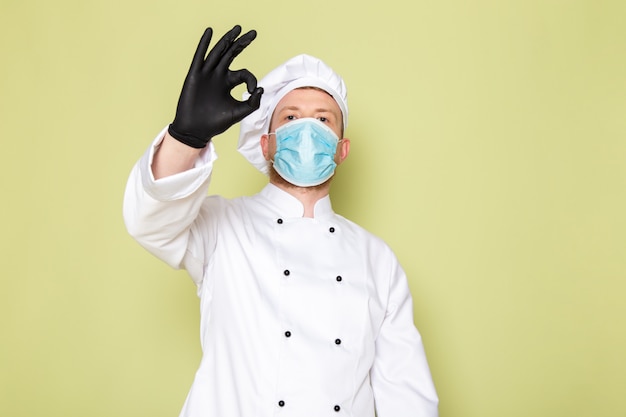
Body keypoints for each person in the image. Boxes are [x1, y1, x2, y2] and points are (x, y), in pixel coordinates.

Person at [123, 25, 439, 417]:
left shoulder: (377, 259)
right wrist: (185, 137)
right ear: (266, 142)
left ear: (342, 149)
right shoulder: (222, 226)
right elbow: (148, 221)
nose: (307, 130)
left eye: (323, 120)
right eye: (290, 117)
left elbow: (407, 395)